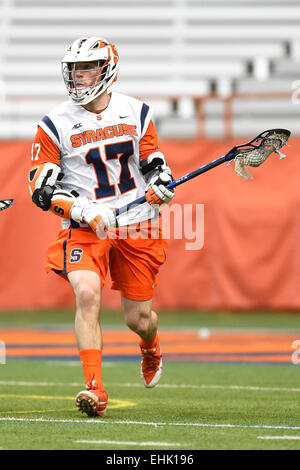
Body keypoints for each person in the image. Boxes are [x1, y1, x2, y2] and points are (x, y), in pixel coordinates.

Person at [28, 37, 175, 418]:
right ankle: (95, 389)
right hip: (85, 225)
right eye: (73, 70)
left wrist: (161, 184)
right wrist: (82, 209)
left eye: (86, 68)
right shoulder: (53, 124)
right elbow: (41, 190)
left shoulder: (136, 111)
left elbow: (153, 161)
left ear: (107, 69)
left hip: (135, 223)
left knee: (137, 318)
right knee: (87, 293)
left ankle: (150, 345)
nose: (78, 77)